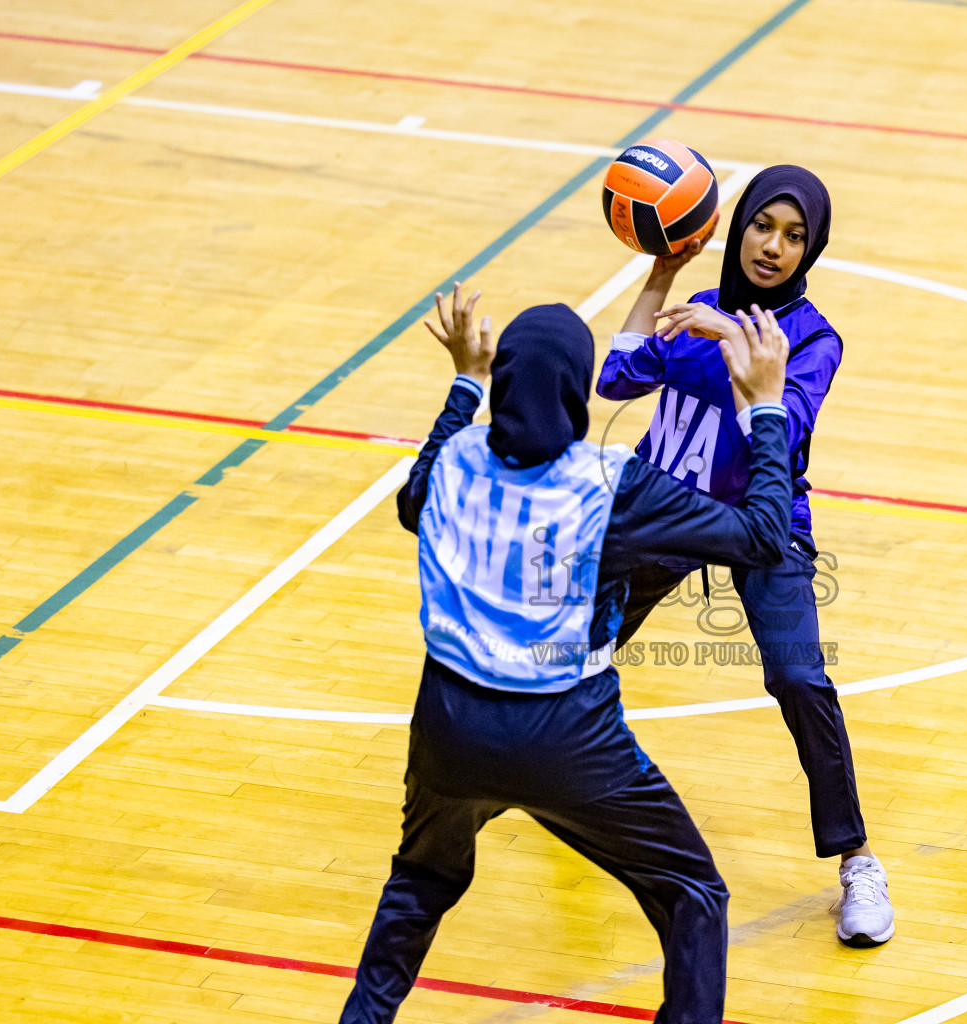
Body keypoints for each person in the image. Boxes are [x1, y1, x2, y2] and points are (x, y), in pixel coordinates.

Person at [338, 284, 794, 1024]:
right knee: (692, 894)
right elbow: (765, 535)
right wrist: (764, 407)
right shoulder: (610, 487)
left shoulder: (451, 464)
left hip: (448, 731)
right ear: (578, 392)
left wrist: (462, 385)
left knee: (421, 881)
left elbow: (410, 502)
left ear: (507, 382)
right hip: (568, 738)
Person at [596, 164, 893, 947]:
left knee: (799, 676)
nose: (774, 246)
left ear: (813, 248)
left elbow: (783, 430)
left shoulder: (815, 338)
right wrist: (660, 276)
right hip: (667, 504)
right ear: (738, 227)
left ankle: (858, 863)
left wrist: (732, 337)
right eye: (764, 226)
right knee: (580, 648)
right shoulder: (694, 308)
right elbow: (617, 376)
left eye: (795, 236)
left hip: (764, 520)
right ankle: (565, 785)